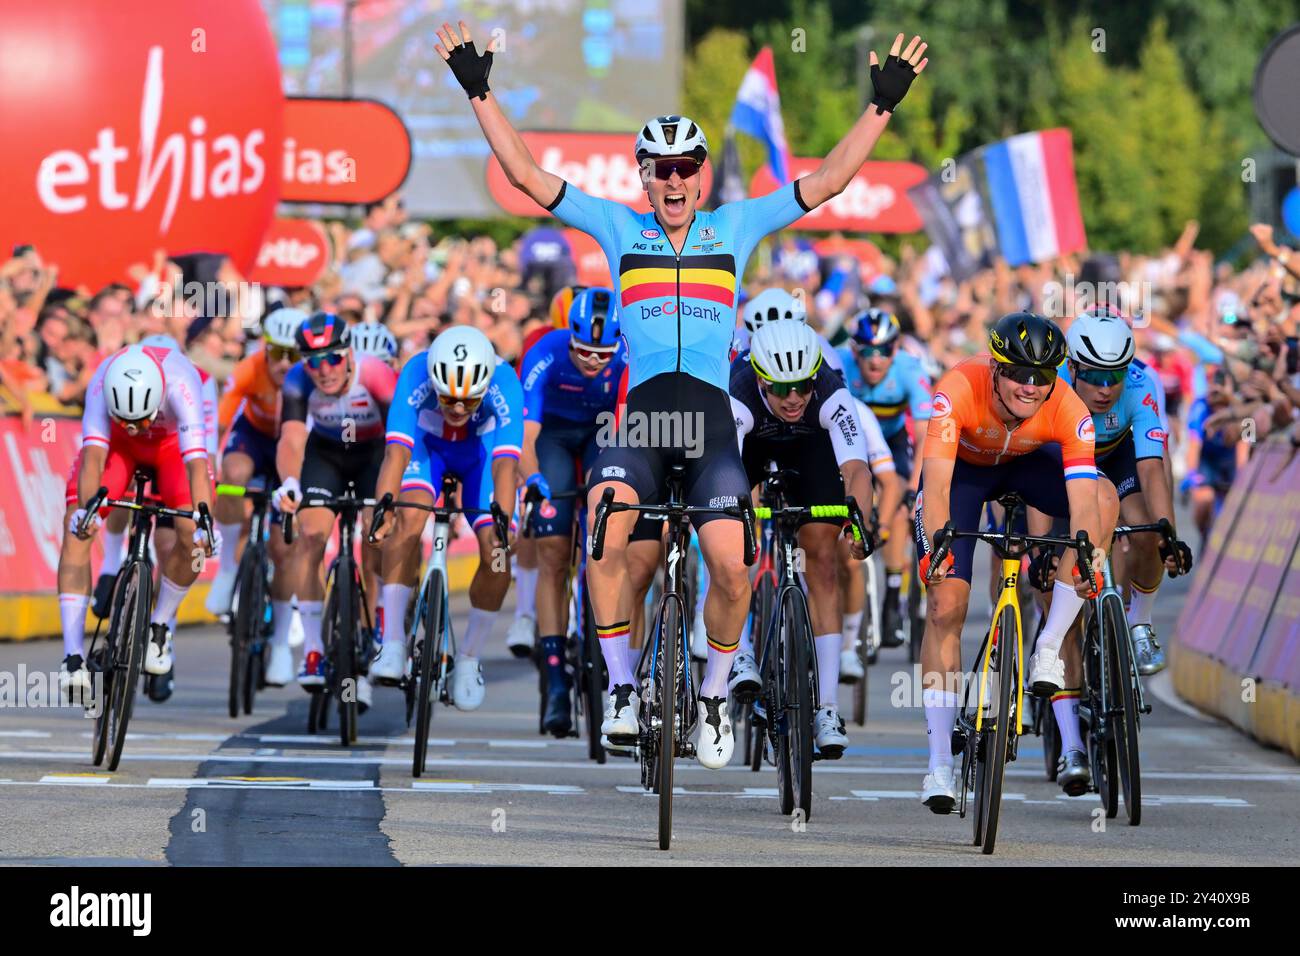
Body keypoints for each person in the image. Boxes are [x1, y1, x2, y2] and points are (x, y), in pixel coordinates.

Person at [438, 18, 928, 769]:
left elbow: (826, 182)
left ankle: (712, 697)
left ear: (701, 174)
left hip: (706, 424)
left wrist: (881, 107)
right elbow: (527, 177)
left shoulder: (734, 226)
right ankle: (626, 691)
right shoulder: (615, 226)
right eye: (659, 168)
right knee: (601, 533)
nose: (672, 180)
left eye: (685, 166)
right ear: (642, 175)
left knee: (735, 567)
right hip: (641, 418)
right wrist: (480, 92)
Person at [914, 313, 1118, 808]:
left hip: (1027, 464)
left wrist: (1087, 554)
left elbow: (1085, 502)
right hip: (964, 472)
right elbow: (936, 487)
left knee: (1107, 498)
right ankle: (939, 763)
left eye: (1043, 377)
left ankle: (1047, 647)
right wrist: (937, 547)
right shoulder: (959, 387)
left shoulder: (1069, 409)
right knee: (946, 606)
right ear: (995, 369)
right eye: (1019, 375)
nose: (1030, 387)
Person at [727, 321, 875, 757]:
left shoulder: (831, 394)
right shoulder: (738, 393)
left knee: (824, 563)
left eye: (803, 387)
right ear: (759, 379)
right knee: (733, 547)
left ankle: (827, 707)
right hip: (751, 453)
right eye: (781, 388)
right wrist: (735, 518)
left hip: (812, 454)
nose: (794, 398)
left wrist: (859, 522)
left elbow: (857, 470)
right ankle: (741, 649)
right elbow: (725, 472)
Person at [369, 326, 523, 711]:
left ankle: (469, 659)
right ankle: (391, 644)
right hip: (428, 449)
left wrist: (503, 521)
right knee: (405, 523)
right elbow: (396, 456)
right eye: (448, 398)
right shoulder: (416, 372)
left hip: (481, 456)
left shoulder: (504, 380)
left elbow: (506, 466)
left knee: (498, 555)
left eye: (469, 402)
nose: (456, 409)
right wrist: (383, 507)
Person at [58, 345, 217, 701]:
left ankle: (160, 625)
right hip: (119, 448)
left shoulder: (182, 383)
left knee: (193, 536)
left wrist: (205, 518)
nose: (136, 427)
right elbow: (93, 461)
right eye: (127, 419)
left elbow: (196, 465)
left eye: (141, 420)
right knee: (76, 526)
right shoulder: (102, 382)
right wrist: (87, 511)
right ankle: (72, 655)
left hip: (171, 447)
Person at [516, 287, 627, 734]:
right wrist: (532, 478)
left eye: (602, 354)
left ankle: (608, 646)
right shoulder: (545, 353)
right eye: (582, 351)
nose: (592, 361)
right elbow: (526, 437)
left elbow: (628, 429)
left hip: (604, 432)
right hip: (553, 437)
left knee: (608, 540)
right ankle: (557, 673)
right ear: (569, 338)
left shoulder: (626, 357)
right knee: (554, 553)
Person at [272, 313, 397, 704]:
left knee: (375, 534)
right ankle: (312, 650)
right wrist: (290, 483)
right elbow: (292, 439)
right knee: (309, 537)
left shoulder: (375, 374)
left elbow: (399, 438)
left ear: (349, 355)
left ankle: (377, 613)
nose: (323, 370)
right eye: (313, 361)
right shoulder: (295, 380)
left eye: (332, 359)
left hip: (374, 454)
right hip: (325, 455)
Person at [1060, 309, 1193, 675]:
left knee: (1148, 530)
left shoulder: (1140, 384)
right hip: (1065, 459)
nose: (1105, 389)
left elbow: (1152, 466)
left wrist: (1168, 532)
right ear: (1072, 368)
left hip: (1116, 457)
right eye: (1093, 376)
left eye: (1114, 375)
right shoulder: (1052, 385)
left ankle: (1140, 624)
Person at [205, 309, 305, 685]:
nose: (282, 363)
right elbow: (221, 421)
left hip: (292, 447)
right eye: (275, 352)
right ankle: (229, 569)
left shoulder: (310, 382)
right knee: (231, 476)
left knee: (283, 548)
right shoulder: (249, 368)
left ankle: (281, 643)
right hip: (254, 437)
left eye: (292, 355)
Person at [839, 308, 932, 646]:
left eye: (883, 351)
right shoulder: (838, 365)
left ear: (896, 350)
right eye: (866, 351)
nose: (875, 360)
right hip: (849, 439)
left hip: (892, 440)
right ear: (853, 351)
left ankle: (893, 593)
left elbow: (923, 435)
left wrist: (913, 487)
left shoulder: (910, 369)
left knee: (902, 507)